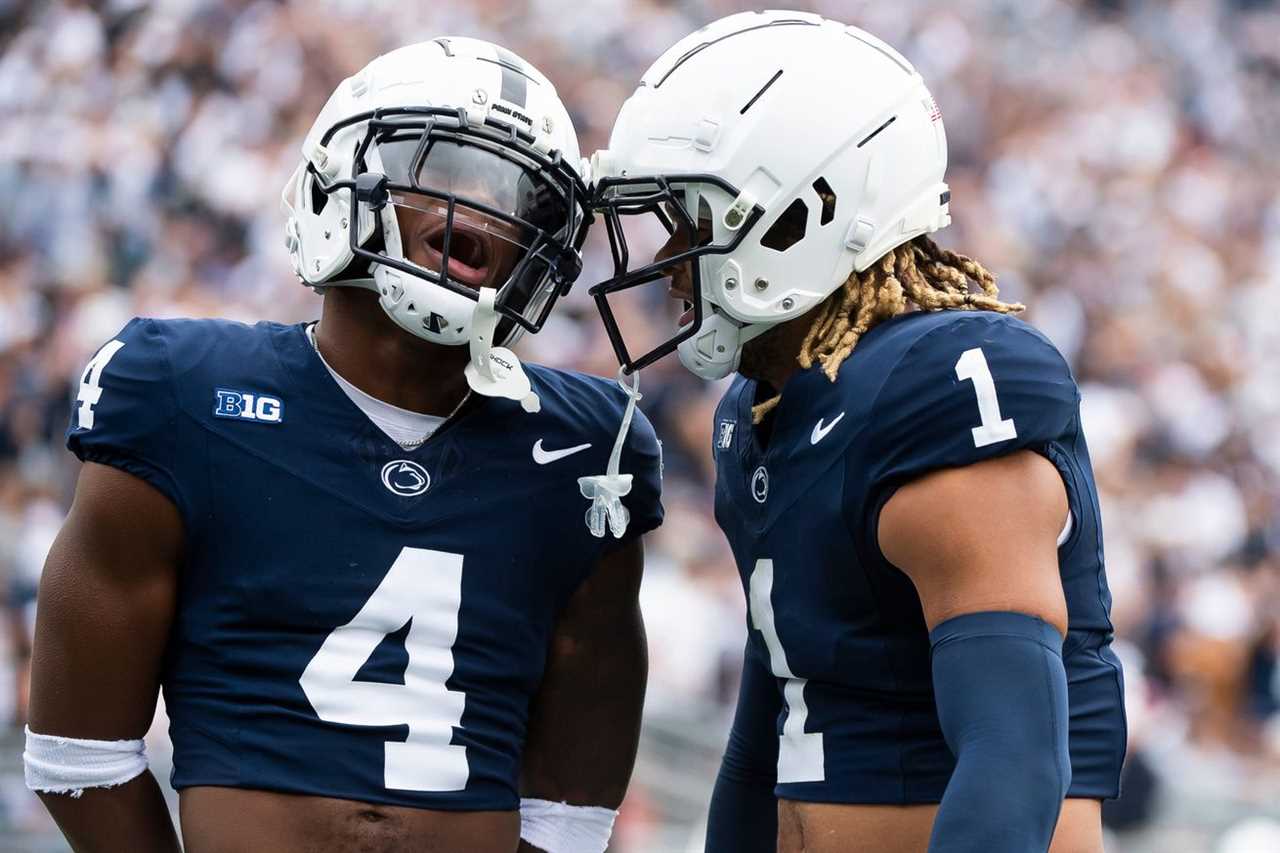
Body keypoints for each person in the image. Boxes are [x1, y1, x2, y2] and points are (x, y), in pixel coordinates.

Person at [24, 39, 662, 853]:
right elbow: (77, 754)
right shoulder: (179, 391)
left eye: (514, 198)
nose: (475, 218)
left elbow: (571, 810)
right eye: (436, 174)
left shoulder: (589, 447)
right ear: (336, 183)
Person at [587, 11, 1124, 853]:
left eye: (694, 219)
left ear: (809, 210)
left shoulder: (940, 381)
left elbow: (1014, 753)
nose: (668, 257)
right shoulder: (759, 408)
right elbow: (765, 732)